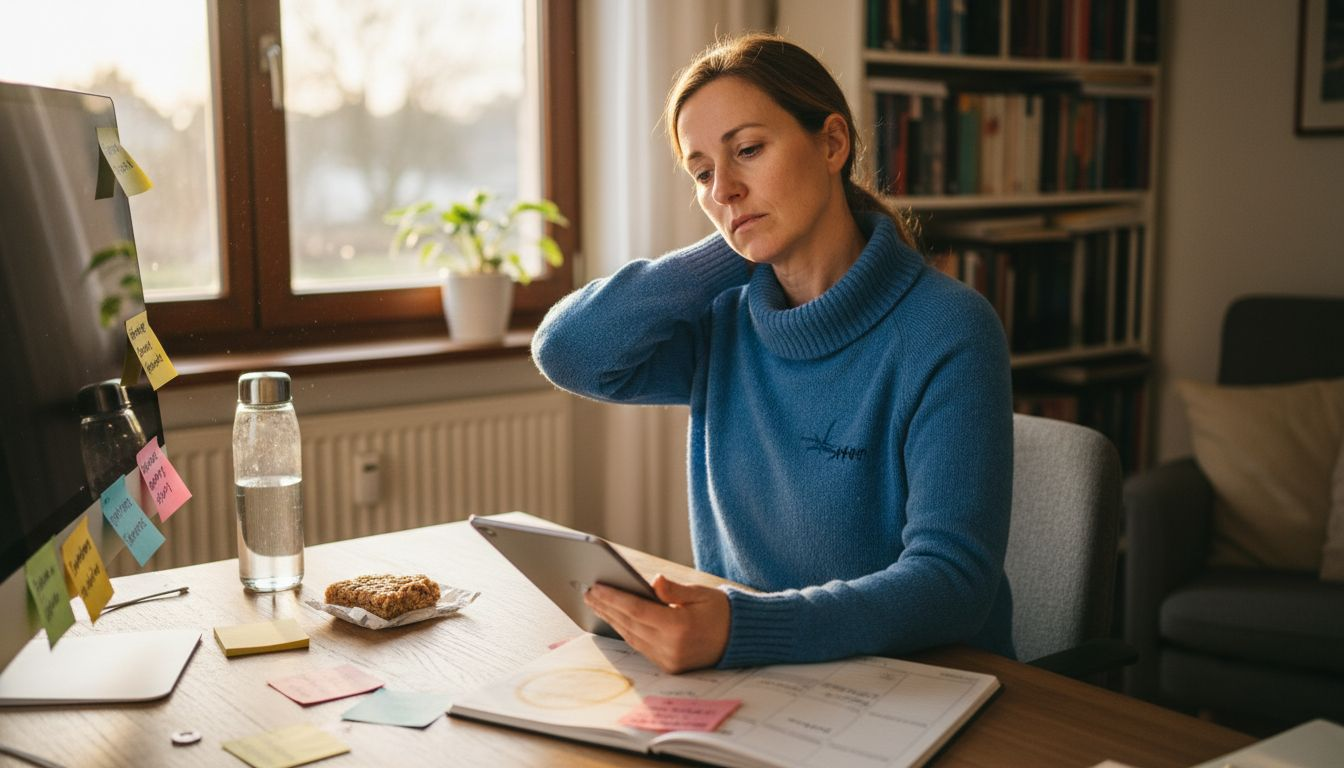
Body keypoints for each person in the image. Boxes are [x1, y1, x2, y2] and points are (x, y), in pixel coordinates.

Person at [531, 33, 1014, 673]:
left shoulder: (948, 328)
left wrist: (745, 629)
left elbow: (952, 583)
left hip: (925, 683)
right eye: (703, 173)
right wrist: (738, 244)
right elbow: (569, 351)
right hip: (763, 677)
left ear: (832, 143)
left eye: (749, 151)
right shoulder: (722, 322)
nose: (723, 189)